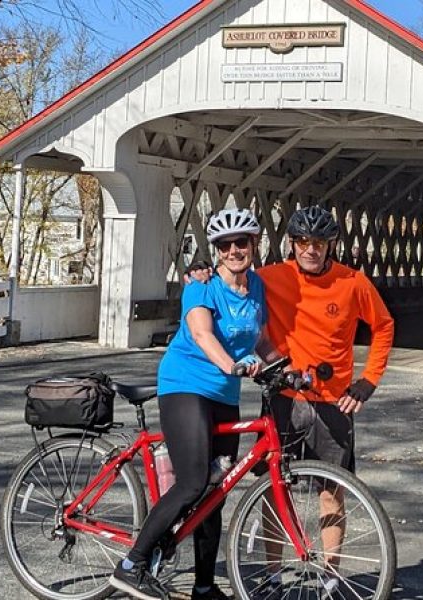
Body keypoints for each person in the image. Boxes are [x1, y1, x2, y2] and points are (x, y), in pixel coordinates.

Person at [190, 205, 395, 595]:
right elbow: (229, 277)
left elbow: (384, 326)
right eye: (302, 242)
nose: (310, 250)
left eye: (318, 242)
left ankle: (330, 576)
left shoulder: (353, 282)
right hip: (284, 397)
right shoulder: (271, 278)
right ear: (291, 244)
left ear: (330, 244)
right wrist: (200, 270)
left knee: (331, 491)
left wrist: (368, 381)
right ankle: (273, 572)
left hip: (334, 401)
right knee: (272, 488)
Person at [110, 208, 272, 600]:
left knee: (215, 492)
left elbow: (261, 340)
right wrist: (231, 364)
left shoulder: (257, 287)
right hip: (186, 385)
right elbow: (201, 333)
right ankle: (130, 566)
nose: (234, 250)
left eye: (242, 242)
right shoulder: (201, 286)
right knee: (193, 481)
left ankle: (203, 587)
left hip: (224, 394)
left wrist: (282, 367)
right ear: (216, 252)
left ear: (254, 245)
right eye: (225, 245)